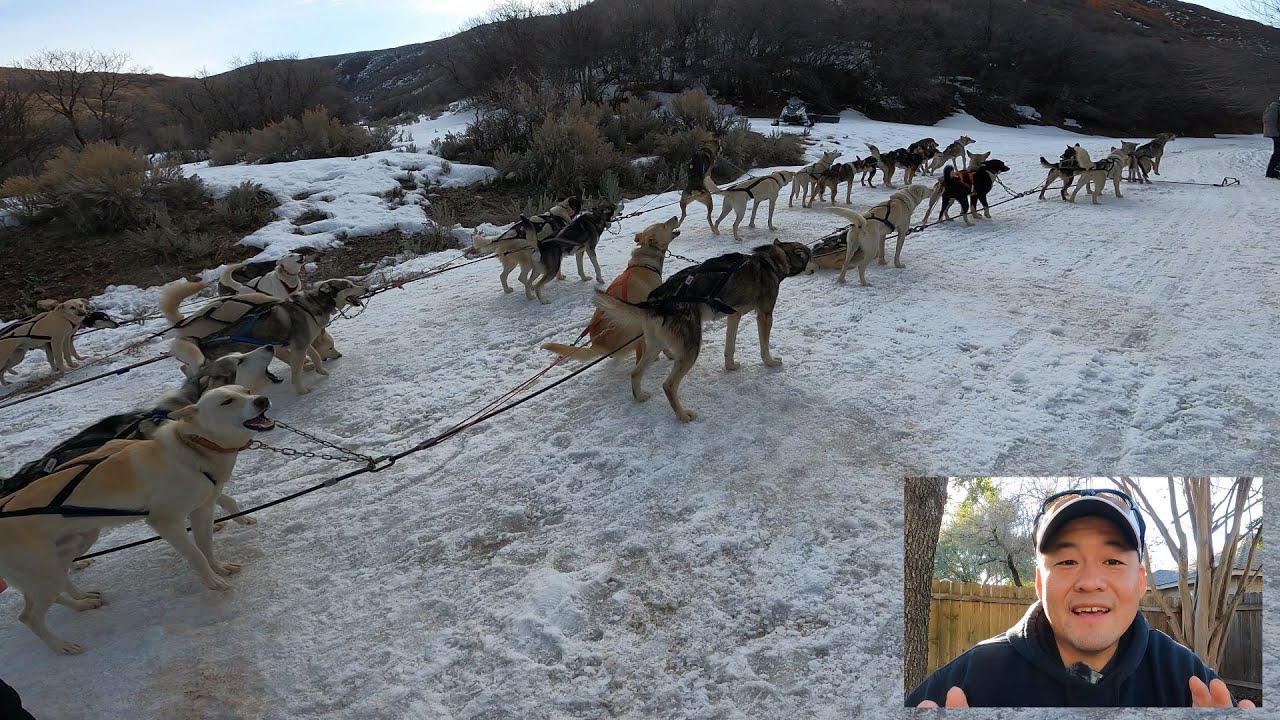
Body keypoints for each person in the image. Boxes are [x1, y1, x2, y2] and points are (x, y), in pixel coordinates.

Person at [907, 488, 1255, 708]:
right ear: (1040, 585)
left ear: (1140, 582)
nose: (1090, 582)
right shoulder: (964, 686)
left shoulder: (1190, 683)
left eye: (1113, 561)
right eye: (1068, 561)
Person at [1266, 95, 1280, 179]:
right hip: (1277, 134)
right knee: (1278, 153)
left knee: (1277, 153)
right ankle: (1271, 172)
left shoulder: (1274, 107)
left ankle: (1273, 171)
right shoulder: (1276, 107)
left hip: (1275, 133)